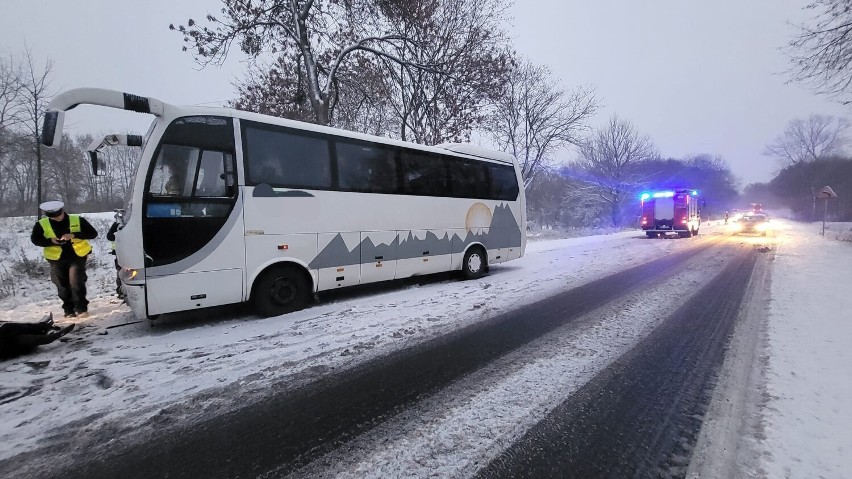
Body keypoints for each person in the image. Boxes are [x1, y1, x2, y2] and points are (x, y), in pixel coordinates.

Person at [30, 201, 98, 318]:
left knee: (76, 281)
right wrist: (50, 241)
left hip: (77, 255)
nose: (57, 218)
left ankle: (81, 308)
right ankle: (68, 309)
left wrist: (74, 235)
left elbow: (92, 233)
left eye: (59, 215)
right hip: (56, 259)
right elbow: (35, 240)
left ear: (62, 211)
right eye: (54, 217)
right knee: (62, 284)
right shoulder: (41, 224)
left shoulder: (77, 220)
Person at [106, 220, 124, 299]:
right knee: (121, 272)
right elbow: (109, 236)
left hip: (132, 252)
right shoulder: (118, 223)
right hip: (120, 252)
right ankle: (121, 291)